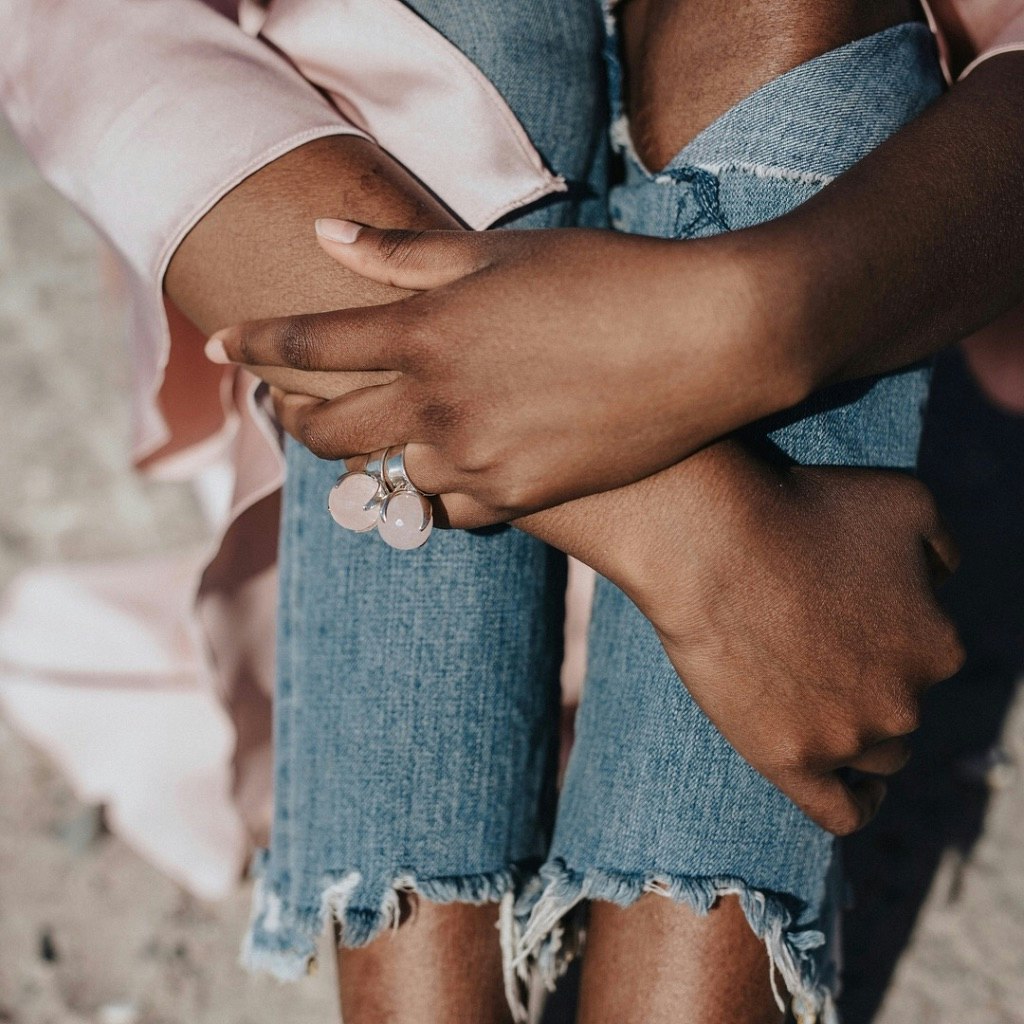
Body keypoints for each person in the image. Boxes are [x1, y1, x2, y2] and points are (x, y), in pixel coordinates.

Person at [1, 0, 1020, 1022]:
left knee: (784, 16)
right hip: (709, 572)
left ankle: (685, 979)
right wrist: (693, 531)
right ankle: (423, 987)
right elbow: (81, 38)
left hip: (704, 486)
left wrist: (752, 319)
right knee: (445, 21)